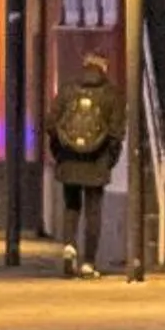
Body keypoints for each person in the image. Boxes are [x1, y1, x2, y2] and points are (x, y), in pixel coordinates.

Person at [46, 54, 124, 279]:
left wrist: (59, 153)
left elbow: (51, 124)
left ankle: (69, 247)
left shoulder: (68, 89)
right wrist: (109, 160)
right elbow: (116, 133)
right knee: (93, 211)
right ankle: (89, 262)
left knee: (71, 206)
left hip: (69, 159)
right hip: (97, 161)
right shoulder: (111, 94)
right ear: (104, 67)